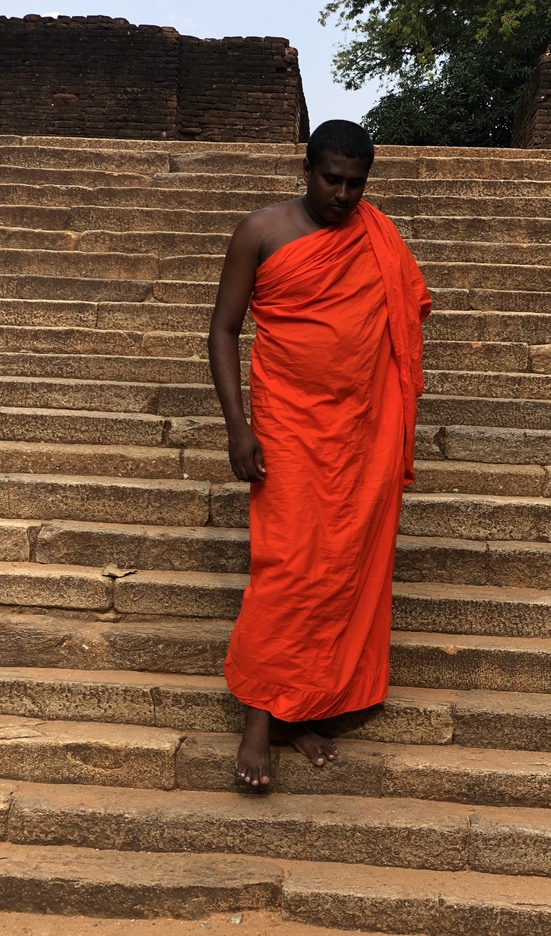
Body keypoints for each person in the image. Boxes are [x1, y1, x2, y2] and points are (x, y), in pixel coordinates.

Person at [208, 119, 432, 788]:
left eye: (356, 184)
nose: (343, 195)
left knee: (340, 567)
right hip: (288, 425)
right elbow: (222, 330)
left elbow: (402, 320)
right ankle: (258, 719)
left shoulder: (377, 235)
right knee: (287, 566)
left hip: (360, 430)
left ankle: (296, 710)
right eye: (332, 180)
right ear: (305, 170)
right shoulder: (261, 231)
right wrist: (238, 427)